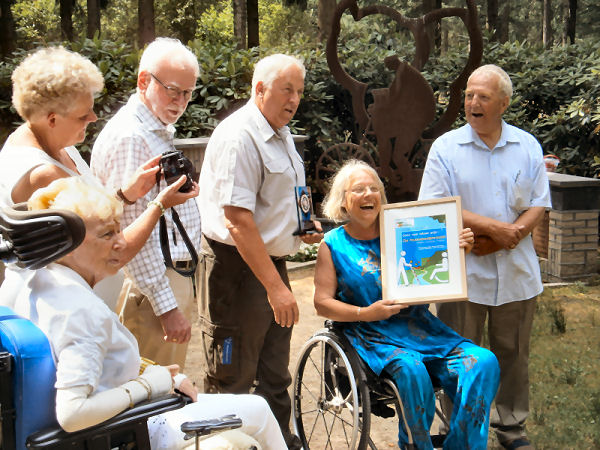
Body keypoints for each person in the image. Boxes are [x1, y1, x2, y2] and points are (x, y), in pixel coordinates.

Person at [0, 177, 286, 449]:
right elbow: (73, 413)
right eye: (107, 234)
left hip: (114, 419)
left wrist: (153, 372)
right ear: (68, 245)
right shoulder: (81, 311)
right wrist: (149, 385)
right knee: (258, 410)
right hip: (126, 430)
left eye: (118, 229)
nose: (121, 243)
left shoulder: (26, 279)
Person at [314, 159, 500, 450]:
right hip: (371, 335)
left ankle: (462, 445)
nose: (368, 194)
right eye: (358, 189)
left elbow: (428, 283)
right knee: (412, 369)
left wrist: (454, 249)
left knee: (483, 362)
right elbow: (322, 303)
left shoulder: (407, 231)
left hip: (421, 329)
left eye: (374, 188)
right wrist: (366, 312)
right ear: (343, 201)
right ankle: (417, 445)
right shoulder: (333, 244)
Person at [0, 46, 196, 309]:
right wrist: (160, 205)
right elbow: (109, 254)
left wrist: (124, 195)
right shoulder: (44, 175)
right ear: (52, 119)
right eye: (83, 115)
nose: (93, 118)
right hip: (65, 312)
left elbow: (83, 222)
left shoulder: (55, 144)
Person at [418, 64, 551, 450]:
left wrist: (513, 235)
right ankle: (454, 425)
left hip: (517, 271)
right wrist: (498, 230)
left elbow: (539, 202)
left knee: (513, 353)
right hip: (464, 270)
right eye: (469, 96)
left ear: (503, 103)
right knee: (457, 353)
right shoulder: (447, 148)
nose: (472, 103)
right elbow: (436, 204)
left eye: (483, 97)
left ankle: (511, 427)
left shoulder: (526, 145)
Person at [197, 53, 322, 448]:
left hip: (269, 265)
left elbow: (278, 200)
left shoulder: (281, 133)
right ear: (260, 89)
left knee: (274, 373)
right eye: (287, 90)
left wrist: (303, 225)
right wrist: (276, 287)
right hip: (236, 271)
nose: (295, 99)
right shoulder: (241, 136)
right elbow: (237, 220)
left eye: (300, 92)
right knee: (231, 376)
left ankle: (275, 442)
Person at [91, 38, 202, 370]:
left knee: (161, 390)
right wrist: (167, 308)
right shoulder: (132, 137)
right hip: (156, 288)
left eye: (187, 93)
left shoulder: (151, 130)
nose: (180, 101)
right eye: (172, 90)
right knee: (154, 397)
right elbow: (130, 232)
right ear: (144, 82)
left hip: (166, 280)